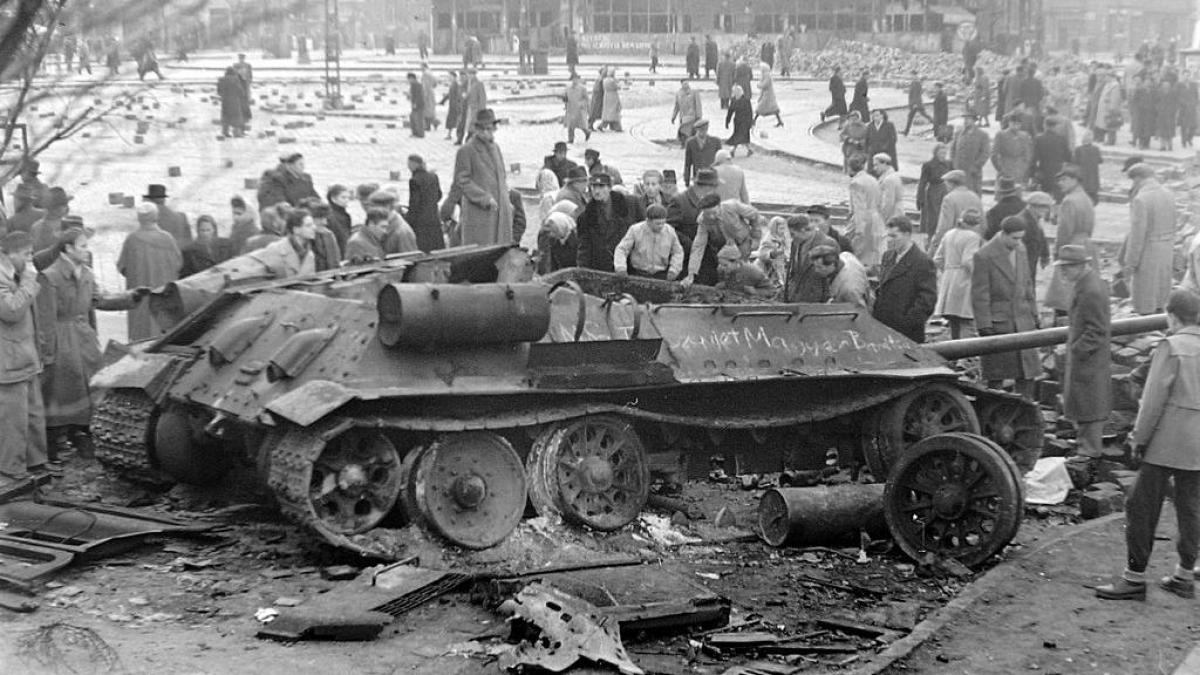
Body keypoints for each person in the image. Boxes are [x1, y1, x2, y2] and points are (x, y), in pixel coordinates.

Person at [1094, 289, 1200, 601]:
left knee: (1140, 506)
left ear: (1172, 315)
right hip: (1198, 444)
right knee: (1191, 508)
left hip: (1167, 440)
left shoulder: (1172, 346)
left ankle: (1134, 577)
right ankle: (1183, 575)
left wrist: (1137, 440)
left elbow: (1153, 401)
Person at [36, 228, 142, 463]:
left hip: (83, 338)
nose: (87, 250)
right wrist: (47, 354)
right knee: (60, 391)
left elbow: (99, 299)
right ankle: (54, 444)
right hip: (60, 339)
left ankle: (80, 435)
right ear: (68, 249)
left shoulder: (87, 273)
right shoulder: (49, 277)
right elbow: (45, 320)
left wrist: (130, 297)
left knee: (90, 385)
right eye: (82, 245)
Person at [1053, 244, 1112, 474]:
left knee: (1090, 405)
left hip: (1089, 359)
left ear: (1080, 266)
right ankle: (1085, 448)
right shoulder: (1087, 284)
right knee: (1085, 402)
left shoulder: (1091, 290)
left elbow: (1098, 329)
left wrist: (1078, 350)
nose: (1063, 272)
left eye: (1067, 268)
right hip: (1088, 358)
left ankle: (1089, 453)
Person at [971, 216, 1039, 398]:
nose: (1018, 243)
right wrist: (984, 325)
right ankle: (995, 418)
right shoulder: (984, 255)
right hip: (999, 325)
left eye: (1021, 238)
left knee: (1027, 374)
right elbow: (980, 295)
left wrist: (1034, 314)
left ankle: (1026, 414)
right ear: (1003, 234)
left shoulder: (1021, 250)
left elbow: (1027, 284)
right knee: (997, 375)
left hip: (1024, 322)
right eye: (1015, 238)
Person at [0, 231, 48, 485]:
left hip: (25, 356)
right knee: (13, 420)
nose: (30, 260)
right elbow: (11, 310)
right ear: (11, 253)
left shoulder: (16, 274)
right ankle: (12, 470)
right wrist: (30, 280)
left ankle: (35, 463)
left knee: (32, 416)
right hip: (7, 361)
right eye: (27, 254)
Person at [117, 203, 182, 341]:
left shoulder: (132, 240)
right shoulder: (167, 239)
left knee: (139, 336)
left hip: (138, 298)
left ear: (139, 218)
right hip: (162, 297)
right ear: (156, 217)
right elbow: (178, 264)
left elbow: (122, 267)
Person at [452, 109, 513, 246]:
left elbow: (502, 176)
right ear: (477, 129)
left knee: (501, 251)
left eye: (491, 129)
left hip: (500, 213)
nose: (488, 133)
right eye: (485, 129)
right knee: (480, 255)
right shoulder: (466, 151)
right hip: (480, 214)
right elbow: (462, 181)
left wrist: (506, 200)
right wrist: (484, 198)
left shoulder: (496, 148)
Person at [873, 216, 937, 343]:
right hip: (884, 326)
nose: (889, 240)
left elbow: (927, 300)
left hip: (907, 331)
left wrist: (908, 322)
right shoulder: (888, 256)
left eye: (894, 236)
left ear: (907, 235)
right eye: (888, 236)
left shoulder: (922, 261)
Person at [1124, 163, 1176, 315]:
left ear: (1138, 178)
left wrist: (1131, 262)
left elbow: (1137, 234)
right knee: (1161, 292)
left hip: (1148, 250)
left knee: (1145, 294)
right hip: (1166, 248)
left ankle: (1146, 327)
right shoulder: (1168, 194)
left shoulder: (1141, 199)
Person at [1045, 165, 1096, 315]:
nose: (1061, 183)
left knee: (1064, 292)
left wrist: (1057, 251)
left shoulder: (1069, 201)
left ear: (1076, 180)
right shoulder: (1085, 197)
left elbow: (1064, 230)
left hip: (1071, 245)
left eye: (1064, 180)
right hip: (1086, 243)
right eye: (1060, 180)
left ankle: (1062, 324)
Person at [684, 193, 762, 287]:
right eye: (708, 214)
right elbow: (698, 246)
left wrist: (756, 237)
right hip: (723, 251)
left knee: (742, 274)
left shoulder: (732, 206)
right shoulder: (703, 221)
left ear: (719, 206)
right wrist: (691, 273)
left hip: (742, 244)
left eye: (714, 213)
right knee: (725, 275)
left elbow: (755, 215)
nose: (712, 217)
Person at [934, 209, 984, 339]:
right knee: (966, 320)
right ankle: (966, 355)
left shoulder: (949, 234)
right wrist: (979, 277)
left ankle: (955, 353)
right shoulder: (973, 237)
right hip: (964, 280)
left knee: (953, 320)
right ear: (976, 224)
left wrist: (948, 271)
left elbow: (938, 259)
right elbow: (968, 261)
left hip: (948, 279)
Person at [576, 174, 636, 273]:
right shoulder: (585, 217)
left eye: (601, 186)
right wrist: (582, 270)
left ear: (609, 188)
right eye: (594, 187)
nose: (597, 191)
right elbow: (583, 248)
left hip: (626, 266)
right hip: (599, 268)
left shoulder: (627, 207)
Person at [667, 168, 719, 279]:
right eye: (714, 187)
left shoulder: (711, 201)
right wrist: (687, 243)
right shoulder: (679, 201)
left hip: (708, 259)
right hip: (686, 260)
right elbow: (668, 229)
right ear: (707, 187)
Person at [613, 204, 683, 280]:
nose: (661, 226)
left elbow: (678, 252)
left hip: (661, 275)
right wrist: (621, 268)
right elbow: (622, 249)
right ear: (648, 221)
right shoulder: (635, 230)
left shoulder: (670, 231)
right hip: (637, 273)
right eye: (658, 223)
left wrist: (674, 270)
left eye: (663, 223)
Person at [783, 214, 837, 302]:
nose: (791, 238)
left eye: (793, 234)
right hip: (796, 299)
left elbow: (832, 275)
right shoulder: (796, 243)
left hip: (817, 301)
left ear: (803, 230)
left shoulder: (827, 243)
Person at [930, 170, 983, 255]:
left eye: (946, 183)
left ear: (951, 184)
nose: (945, 186)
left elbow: (944, 226)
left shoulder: (949, 199)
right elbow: (983, 223)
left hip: (955, 246)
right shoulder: (975, 197)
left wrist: (935, 244)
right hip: (973, 245)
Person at [252, 208, 317, 278]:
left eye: (313, 224)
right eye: (308, 225)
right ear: (296, 230)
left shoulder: (309, 254)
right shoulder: (275, 249)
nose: (314, 227)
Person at [847, 154, 883, 268]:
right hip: (875, 218)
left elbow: (859, 208)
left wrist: (859, 230)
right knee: (872, 253)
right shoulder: (873, 180)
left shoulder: (856, 183)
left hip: (863, 221)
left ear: (850, 167)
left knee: (857, 254)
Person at [810, 244, 871, 308]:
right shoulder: (846, 255)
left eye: (819, 267)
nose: (816, 270)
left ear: (832, 264)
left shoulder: (849, 289)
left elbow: (860, 312)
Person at [916, 143, 952, 247]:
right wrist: (920, 197)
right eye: (941, 153)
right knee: (933, 218)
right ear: (935, 153)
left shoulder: (949, 164)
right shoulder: (928, 165)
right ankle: (930, 240)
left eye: (945, 153)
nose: (943, 155)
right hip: (933, 193)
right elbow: (922, 182)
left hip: (946, 191)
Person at [407, 154, 443, 253]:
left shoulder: (414, 180)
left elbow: (414, 203)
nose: (408, 167)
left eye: (409, 164)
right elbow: (439, 195)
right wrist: (430, 203)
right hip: (433, 217)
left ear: (413, 164)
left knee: (423, 248)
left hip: (420, 221)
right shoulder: (434, 176)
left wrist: (408, 220)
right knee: (436, 246)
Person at [1032, 117, 1073, 198]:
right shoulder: (1061, 139)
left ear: (1045, 125)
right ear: (1055, 126)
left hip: (1044, 171)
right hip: (1059, 172)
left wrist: (1034, 172)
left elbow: (1034, 158)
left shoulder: (1039, 138)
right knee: (1058, 197)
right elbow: (1068, 157)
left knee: (1045, 196)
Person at [951, 112, 990, 194]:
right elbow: (953, 149)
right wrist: (954, 163)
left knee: (973, 194)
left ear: (974, 120)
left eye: (968, 119)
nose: (965, 121)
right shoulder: (958, 133)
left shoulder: (982, 135)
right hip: (959, 170)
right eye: (964, 119)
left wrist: (976, 166)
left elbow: (985, 153)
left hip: (973, 172)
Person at [991, 112, 1033, 185]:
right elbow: (994, 155)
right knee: (1003, 192)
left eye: (1018, 124)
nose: (1016, 126)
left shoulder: (1024, 136)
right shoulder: (1001, 135)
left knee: (1017, 193)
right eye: (1014, 124)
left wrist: (1023, 169)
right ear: (1009, 123)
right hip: (1005, 169)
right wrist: (1000, 170)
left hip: (1019, 171)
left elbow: (1027, 155)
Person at [538, 202, 579, 274]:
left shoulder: (577, 239)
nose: (552, 235)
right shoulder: (553, 240)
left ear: (562, 227)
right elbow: (552, 263)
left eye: (555, 231)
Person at [30, 187, 70, 253]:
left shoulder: (35, 226)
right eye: (64, 205)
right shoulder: (63, 227)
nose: (67, 207)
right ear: (58, 208)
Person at [683, 119, 721, 187]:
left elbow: (720, 162)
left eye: (705, 130)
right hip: (698, 178)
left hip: (711, 177)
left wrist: (720, 178)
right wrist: (687, 180)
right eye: (701, 130)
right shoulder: (690, 142)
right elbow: (687, 164)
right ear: (697, 130)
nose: (703, 132)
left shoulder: (715, 142)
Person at [1073, 130, 1103, 204]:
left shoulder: (1078, 149)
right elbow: (1100, 160)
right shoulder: (1096, 149)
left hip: (1082, 174)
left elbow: (1074, 161)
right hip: (1093, 176)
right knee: (1092, 194)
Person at [217, 66, 248, 138]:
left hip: (225, 102)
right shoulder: (236, 80)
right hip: (234, 101)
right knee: (236, 117)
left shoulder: (221, 80)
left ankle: (225, 132)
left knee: (225, 117)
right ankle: (236, 132)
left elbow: (219, 91)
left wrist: (223, 96)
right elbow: (240, 91)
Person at [460, 68, 487, 145]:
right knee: (470, 124)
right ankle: (471, 139)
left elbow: (482, 98)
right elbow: (468, 94)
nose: (469, 76)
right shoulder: (469, 83)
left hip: (476, 108)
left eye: (471, 74)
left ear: (474, 74)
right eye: (469, 74)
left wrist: (482, 110)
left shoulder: (479, 84)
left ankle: (471, 140)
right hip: (470, 108)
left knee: (474, 124)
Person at [874, 153, 904, 223]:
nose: (875, 168)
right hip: (895, 213)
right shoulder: (892, 176)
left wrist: (882, 219)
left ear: (884, 164)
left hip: (893, 215)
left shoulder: (889, 179)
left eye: (876, 165)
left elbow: (888, 202)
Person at [725, 85, 754, 158]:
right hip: (738, 122)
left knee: (739, 136)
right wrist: (727, 121)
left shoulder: (744, 100)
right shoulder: (735, 100)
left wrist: (751, 122)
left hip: (744, 121)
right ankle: (748, 149)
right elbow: (730, 112)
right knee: (741, 137)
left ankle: (733, 151)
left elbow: (750, 112)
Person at [672, 79, 702, 147]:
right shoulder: (678, 93)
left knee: (691, 132)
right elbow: (677, 106)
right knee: (683, 131)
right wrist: (673, 116)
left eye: (687, 83)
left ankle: (691, 145)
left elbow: (698, 105)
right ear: (681, 84)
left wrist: (699, 116)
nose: (686, 85)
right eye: (684, 83)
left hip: (692, 116)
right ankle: (683, 144)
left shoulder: (694, 92)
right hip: (683, 117)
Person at [564, 73, 591, 144]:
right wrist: (565, 102)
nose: (574, 80)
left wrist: (583, 105)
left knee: (581, 124)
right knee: (570, 125)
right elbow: (565, 97)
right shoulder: (568, 88)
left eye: (576, 79)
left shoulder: (582, 88)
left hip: (579, 109)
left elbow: (586, 98)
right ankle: (570, 139)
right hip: (571, 108)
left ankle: (587, 132)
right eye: (573, 79)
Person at [598, 67, 622, 132]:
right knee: (614, 112)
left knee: (607, 113)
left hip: (606, 96)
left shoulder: (605, 80)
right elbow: (617, 87)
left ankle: (613, 126)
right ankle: (617, 127)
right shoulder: (612, 81)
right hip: (613, 96)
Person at [442, 70, 464, 141]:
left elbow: (458, 96)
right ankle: (450, 134)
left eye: (450, 76)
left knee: (457, 121)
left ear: (454, 77)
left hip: (455, 106)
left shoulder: (456, 85)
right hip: (452, 105)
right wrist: (443, 101)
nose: (449, 78)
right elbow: (449, 95)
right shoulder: (452, 84)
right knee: (451, 120)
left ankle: (458, 136)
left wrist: (458, 105)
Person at [406, 72, 426, 138]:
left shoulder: (417, 85)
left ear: (412, 78)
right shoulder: (413, 84)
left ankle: (420, 134)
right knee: (412, 118)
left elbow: (419, 96)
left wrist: (415, 103)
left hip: (419, 105)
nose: (408, 81)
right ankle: (415, 133)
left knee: (419, 120)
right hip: (415, 105)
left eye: (408, 79)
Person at [420, 63, 438, 132]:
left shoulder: (425, 74)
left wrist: (425, 95)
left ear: (424, 66)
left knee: (426, 110)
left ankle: (430, 124)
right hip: (431, 92)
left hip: (427, 93)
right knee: (430, 111)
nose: (420, 68)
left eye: (421, 66)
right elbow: (435, 83)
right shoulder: (431, 73)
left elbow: (425, 85)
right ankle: (432, 123)